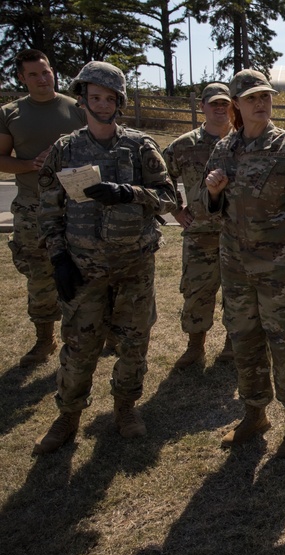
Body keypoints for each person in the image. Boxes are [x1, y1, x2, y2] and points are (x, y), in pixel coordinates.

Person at [32, 61, 177, 455]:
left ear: (120, 102)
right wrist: (59, 258)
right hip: (83, 268)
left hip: (134, 266)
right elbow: (48, 209)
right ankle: (68, 416)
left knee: (133, 343)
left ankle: (125, 408)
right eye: (94, 97)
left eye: (109, 98)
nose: (102, 104)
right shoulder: (65, 150)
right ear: (83, 100)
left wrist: (130, 193)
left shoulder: (140, 146)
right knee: (80, 346)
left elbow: (169, 199)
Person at [203, 69, 285, 458]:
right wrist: (212, 192)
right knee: (244, 342)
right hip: (238, 268)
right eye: (252, 98)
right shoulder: (225, 149)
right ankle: (254, 413)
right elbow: (210, 209)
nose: (261, 103)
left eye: (265, 97)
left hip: (282, 271)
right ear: (236, 105)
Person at [0, 49, 87, 367]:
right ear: (21, 78)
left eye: (46, 72)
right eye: (33, 74)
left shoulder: (76, 109)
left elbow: (95, 151)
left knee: (85, 273)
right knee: (39, 276)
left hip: (75, 207)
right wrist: (28, 163)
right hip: (32, 208)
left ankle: (89, 334)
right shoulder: (10, 113)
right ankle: (44, 340)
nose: (42, 79)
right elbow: (1, 158)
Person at [162, 82, 234, 368]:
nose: (219, 108)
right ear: (202, 106)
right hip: (200, 233)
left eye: (224, 103)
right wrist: (176, 210)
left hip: (237, 233)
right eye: (213, 103)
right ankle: (195, 346)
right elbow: (159, 177)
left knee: (238, 293)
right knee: (196, 292)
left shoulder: (244, 142)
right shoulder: (184, 145)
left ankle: (233, 344)